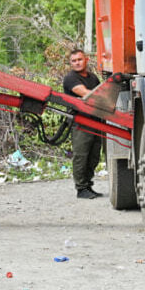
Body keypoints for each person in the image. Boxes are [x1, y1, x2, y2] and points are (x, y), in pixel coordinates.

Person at [63, 49, 104, 199]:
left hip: (96, 120)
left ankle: (87, 185)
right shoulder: (70, 78)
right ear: (70, 63)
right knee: (81, 155)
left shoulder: (93, 77)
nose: (77, 63)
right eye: (74, 61)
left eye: (79, 59)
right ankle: (81, 189)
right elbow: (88, 94)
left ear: (86, 60)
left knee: (94, 156)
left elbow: (101, 93)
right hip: (81, 122)